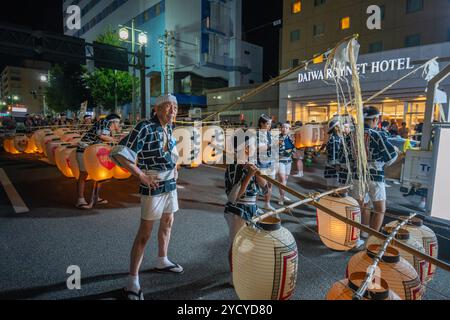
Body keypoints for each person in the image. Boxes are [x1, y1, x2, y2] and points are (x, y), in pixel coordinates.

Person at [110, 94, 182, 300]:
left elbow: (170, 153)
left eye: (175, 108)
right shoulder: (145, 127)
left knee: (168, 221)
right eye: (168, 107)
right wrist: (141, 175)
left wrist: (175, 169)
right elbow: (119, 153)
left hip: (170, 183)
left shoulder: (168, 128)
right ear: (157, 108)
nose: (172, 111)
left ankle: (162, 259)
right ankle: (132, 281)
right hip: (154, 182)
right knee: (145, 232)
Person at [342, 106, 398, 242]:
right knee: (380, 209)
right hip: (375, 177)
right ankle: (371, 240)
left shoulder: (351, 135)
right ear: (375, 119)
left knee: (361, 207)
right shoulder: (377, 134)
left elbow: (344, 160)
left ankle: (360, 235)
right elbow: (390, 157)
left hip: (356, 177)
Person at [224, 139, 268, 284]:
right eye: (251, 146)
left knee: (249, 243)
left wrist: (257, 174)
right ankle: (234, 277)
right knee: (237, 244)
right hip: (237, 210)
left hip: (252, 208)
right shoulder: (233, 167)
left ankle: (244, 270)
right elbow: (234, 197)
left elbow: (266, 189)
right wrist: (249, 175)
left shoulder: (252, 165)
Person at [75, 114, 121, 209]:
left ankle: (95, 197)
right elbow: (101, 136)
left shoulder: (108, 127)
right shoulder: (104, 122)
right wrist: (116, 139)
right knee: (83, 174)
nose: (119, 125)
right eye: (118, 123)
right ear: (114, 121)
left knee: (98, 174)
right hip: (84, 150)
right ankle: (80, 199)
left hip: (95, 152)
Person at [256, 114, 276, 211]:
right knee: (259, 186)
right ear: (261, 123)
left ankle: (267, 204)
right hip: (260, 163)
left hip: (270, 162)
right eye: (267, 124)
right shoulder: (257, 134)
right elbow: (259, 149)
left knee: (270, 184)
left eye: (270, 124)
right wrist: (272, 145)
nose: (269, 126)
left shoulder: (269, 134)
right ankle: (254, 206)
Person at [276, 123, 295, 205]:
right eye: (283, 127)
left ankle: (282, 195)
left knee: (285, 180)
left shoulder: (291, 137)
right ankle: (281, 197)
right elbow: (274, 149)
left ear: (289, 129)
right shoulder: (277, 137)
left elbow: (293, 148)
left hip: (288, 161)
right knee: (282, 179)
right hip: (280, 160)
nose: (284, 128)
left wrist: (292, 152)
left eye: (286, 127)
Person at [324, 118, 342, 189]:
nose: (341, 126)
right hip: (333, 168)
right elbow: (333, 153)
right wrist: (336, 165)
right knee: (332, 189)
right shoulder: (334, 139)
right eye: (339, 125)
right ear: (336, 128)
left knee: (334, 189)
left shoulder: (337, 138)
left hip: (335, 168)